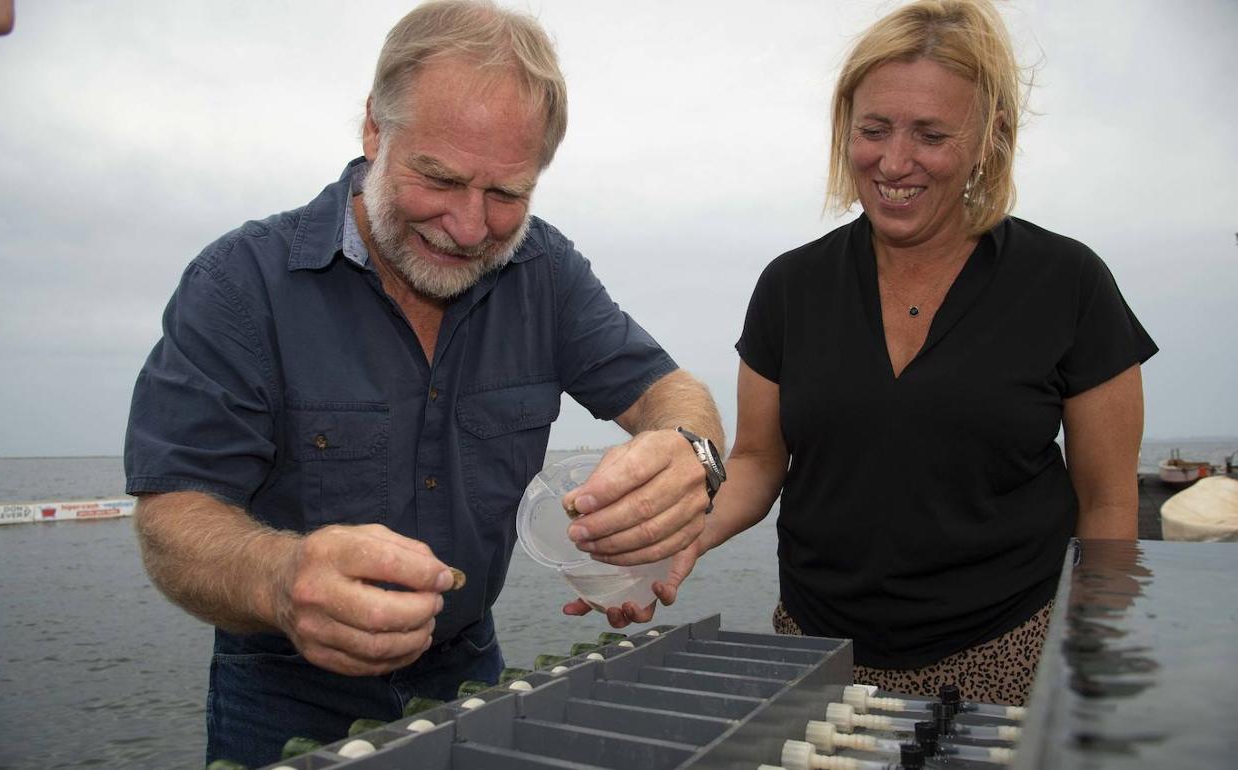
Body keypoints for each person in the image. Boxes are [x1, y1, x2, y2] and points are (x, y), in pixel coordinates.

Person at [123, 2, 723, 765]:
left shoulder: (547, 272)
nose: (470, 228)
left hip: (471, 670)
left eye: (507, 194)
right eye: (438, 178)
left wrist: (689, 459)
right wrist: (279, 577)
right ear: (374, 129)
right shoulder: (239, 284)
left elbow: (671, 393)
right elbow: (172, 517)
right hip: (280, 690)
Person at [631, 0, 1157, 706]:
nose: (894, 161)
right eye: (873, 130)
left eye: (931, 134)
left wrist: (1097, 663)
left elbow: (1109, 500)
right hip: (817, 651)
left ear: (988, 138)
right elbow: (759, 459)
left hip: (1009, 651)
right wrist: (682, 538)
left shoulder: (1069, 282)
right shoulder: (790, 285)